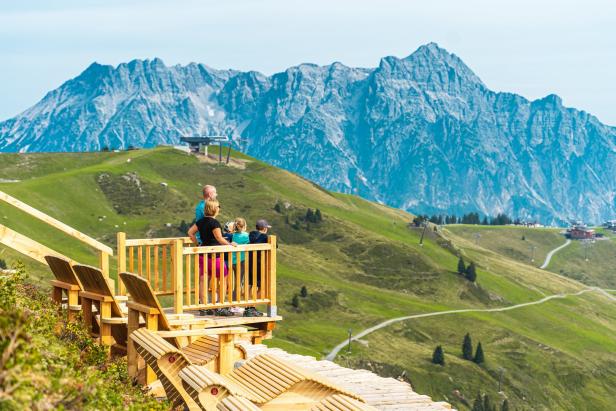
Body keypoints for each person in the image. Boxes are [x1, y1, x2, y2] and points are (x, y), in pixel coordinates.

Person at [187, 199, 235, 316]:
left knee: (204, 279)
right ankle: (219, 307)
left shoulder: (200, 222)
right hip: (215, 255)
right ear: (215, 209)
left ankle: (204, 307)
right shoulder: (215, 223)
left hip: (203, 254)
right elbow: (219, 238)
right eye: (219, 206)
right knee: (223, 279)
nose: (219, 208)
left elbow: (190, 232)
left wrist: (197, 244)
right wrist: (230, 245)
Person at [245, 219, 271, 317]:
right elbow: (275, 246)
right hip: (259, 263)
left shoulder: (251, 235)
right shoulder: (264, 237)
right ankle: (251, 307)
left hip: (249, 262)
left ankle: (247, 307)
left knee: (250, 285)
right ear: (264, 228)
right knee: (261, 286)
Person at [230, 218, 249, 311]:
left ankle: (232, 304)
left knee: (233, 282)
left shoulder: (233, 235)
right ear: (245, 226)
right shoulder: (246, 236)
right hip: (241, 261)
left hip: (232, 261)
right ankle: (235, 305)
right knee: (238, 283)